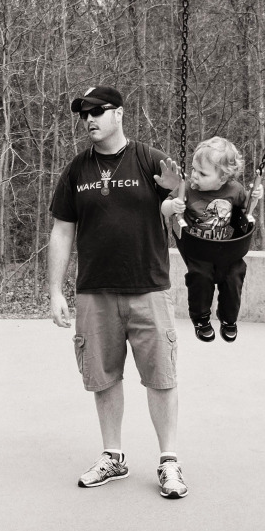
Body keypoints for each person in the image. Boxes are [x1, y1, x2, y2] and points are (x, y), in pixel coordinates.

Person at [47, 85, 189, 498]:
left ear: (120, 114)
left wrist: (177, 194)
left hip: (149, 288)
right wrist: (56, 290)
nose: (89, 119)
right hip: (94, 291)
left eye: (97, 111)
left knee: (161, 377)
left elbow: (183, 213)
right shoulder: (77, 171)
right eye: (83, 114)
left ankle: (169, 462)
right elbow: (61, 230)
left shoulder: (151, 160)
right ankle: (113, 456)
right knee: (102, 376)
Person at [163, 136, 265, 343]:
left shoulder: (234, 190)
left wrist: (256, 194)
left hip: (227, 249)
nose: (194, 176)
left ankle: (229, 320)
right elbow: (164, 208)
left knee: (235, 275)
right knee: (200, 276)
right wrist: (173, 207)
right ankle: (201, 319)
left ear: (223, 178)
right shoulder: (187, 189)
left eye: (202, 173)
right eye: (193, 169)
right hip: (198, 249)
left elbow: (246, 209)